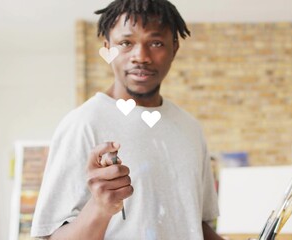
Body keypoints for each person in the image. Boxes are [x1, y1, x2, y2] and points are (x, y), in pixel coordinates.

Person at [30, 0, 222, 239]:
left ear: (174, 47)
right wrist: (99, 208)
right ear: (107, 48)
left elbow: (194, 224)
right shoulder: (82, 125)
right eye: (125, 43)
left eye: (156, 42)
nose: (141, 56)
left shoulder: (190, 128)